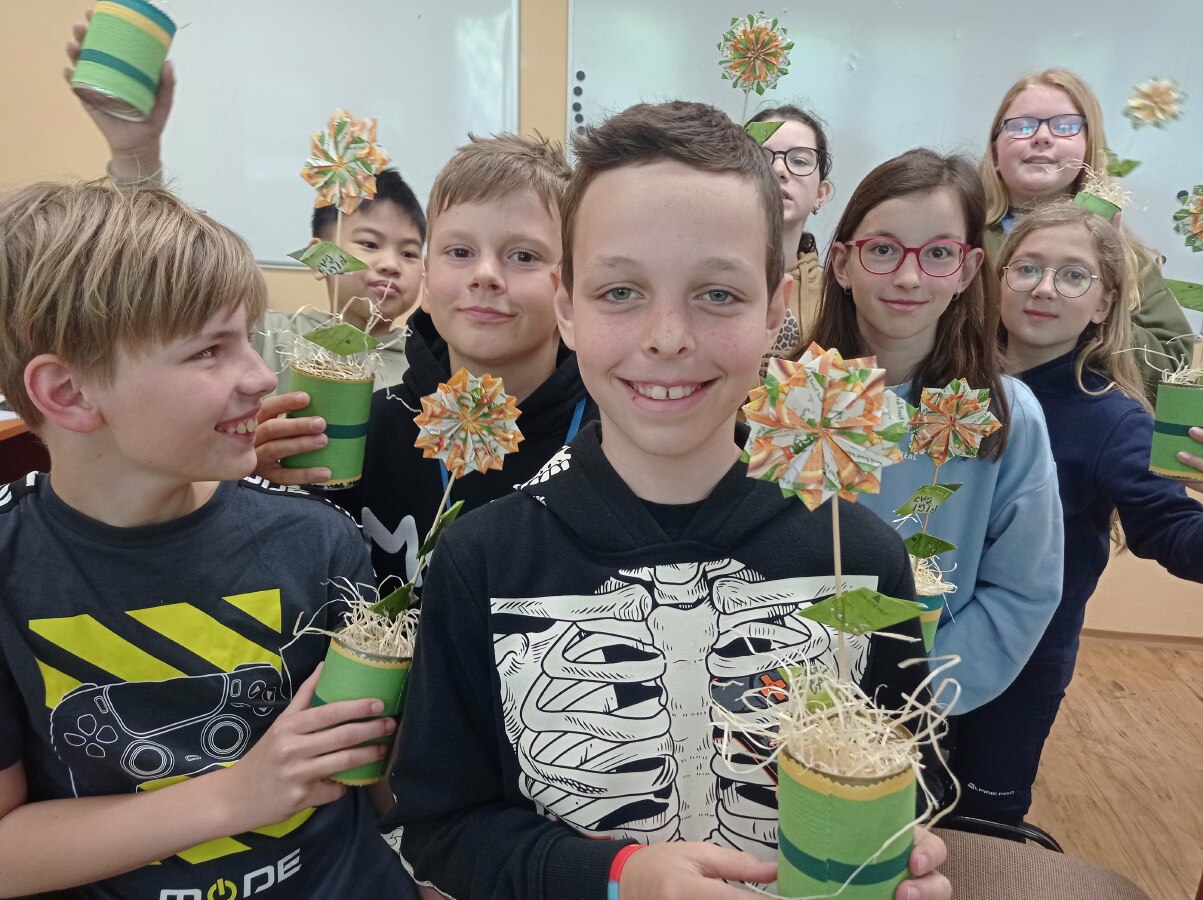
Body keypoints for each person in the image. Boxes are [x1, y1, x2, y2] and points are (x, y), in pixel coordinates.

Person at [381, 100, 950, 900]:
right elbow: (443, 827)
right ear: (567, 306)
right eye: (620, 292)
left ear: (775, 310)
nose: (668, 337)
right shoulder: (483, 561)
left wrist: (901, 858)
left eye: (717, 295)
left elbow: (914, 787)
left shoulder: (860, 556)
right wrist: (612, 876)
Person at [0, 180, 410, 897]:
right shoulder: (13, 569)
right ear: (69, 393)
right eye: (209, 351)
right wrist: (237, 795)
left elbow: (380, 786)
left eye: (247, 338)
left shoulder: (315, 541)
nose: (261, 375)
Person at [809, 149, 1064, 798]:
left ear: (967, 270)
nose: (908, 276)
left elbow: (1022, 588)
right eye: (882, 250)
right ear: (841, 262)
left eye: (938, 254)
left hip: (917, 713)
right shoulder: (788, 405)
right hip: (784, 698)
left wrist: (915, 691)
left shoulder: (1008, 417)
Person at [946, 200, 1203, 824]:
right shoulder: (948, 382)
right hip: (920, 637)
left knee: (980, 824)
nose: (1044, 289)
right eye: (1027, 268)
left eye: (1073, 276)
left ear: (1105, 303)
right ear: (997, 280)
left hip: (1022, 666)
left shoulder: (1113, 419)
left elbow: (1172, 531)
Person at [64, 15, 424, 392]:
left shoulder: (426, 362)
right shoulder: (262, 336)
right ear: (321, 257)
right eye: (369, 243)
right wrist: (135, 154)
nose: (391, 264)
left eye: (410, 253)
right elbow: (160, 268)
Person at [342, 133, 597, 585]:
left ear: (569, 288)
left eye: (523, 255)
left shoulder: (613, 439)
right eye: (460, 252)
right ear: (426, 279)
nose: (485, 275)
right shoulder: (366, 430)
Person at [979, 68, 1193, 391]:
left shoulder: (1125, 253)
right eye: (1022, 126)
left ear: (1089, 148)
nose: (1042, 136)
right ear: (995, 151)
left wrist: (1089, 304)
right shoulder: (959, 236)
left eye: (1064, 126)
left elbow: (1173, 365)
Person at [746, 105, 833, 359]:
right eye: (761, 158)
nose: (778, 170)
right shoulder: (703, 278)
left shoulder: (837, 298)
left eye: (799, 161)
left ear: (821, 194)